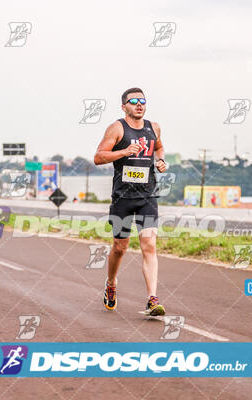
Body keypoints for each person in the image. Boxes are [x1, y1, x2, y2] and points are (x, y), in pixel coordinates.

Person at [93, 87, 168, 316]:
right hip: (123, 197)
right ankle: (111, 283)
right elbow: (98, 157)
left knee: (149, 244)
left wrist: (161, 161)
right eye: (133, 101)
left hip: (147, 196)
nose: (139, 104)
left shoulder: (153, 127)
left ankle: (152, 300)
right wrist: (124, 151)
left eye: (142, 101)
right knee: (120, 247)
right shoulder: (117, 128)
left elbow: (160, 147)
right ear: (124, 106)